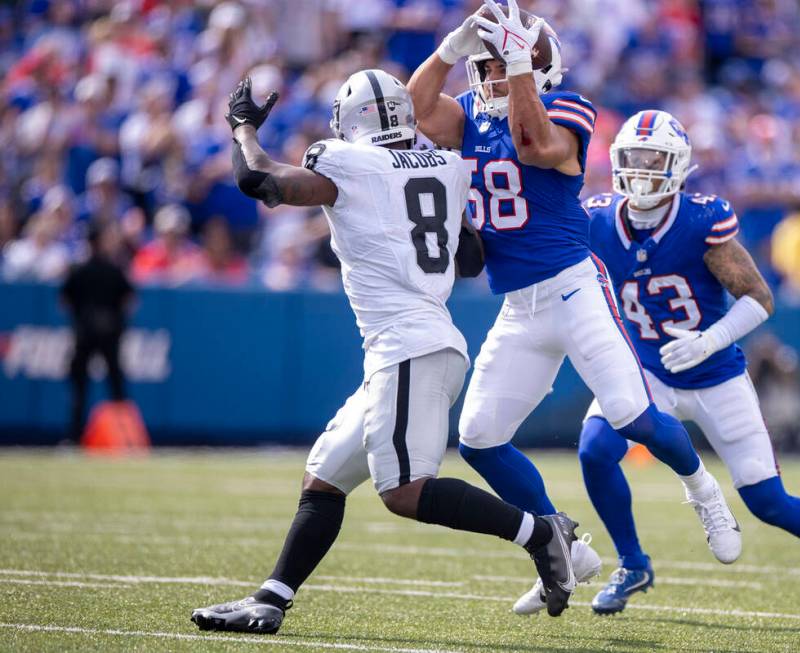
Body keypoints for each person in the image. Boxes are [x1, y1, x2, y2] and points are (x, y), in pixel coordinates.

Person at [191, 71, 584, 635]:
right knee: (324, 479)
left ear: (348, 123)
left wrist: (243, 127)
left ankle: (543, 534)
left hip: (409, 348)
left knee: (403, 491)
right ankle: (271, 598)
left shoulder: (345, 161)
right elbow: (469, 257)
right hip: (414, 346)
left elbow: (260, 179)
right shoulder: (447, 166)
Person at [408, 0, 740, 598]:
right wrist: (449, 51)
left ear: (539, 69)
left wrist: (516, 65)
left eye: (497, 66)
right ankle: (562, 541)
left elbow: (535, 145)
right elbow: (413, 109)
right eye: (480, 68)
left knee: (632, 416)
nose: (486, 78)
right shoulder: (470, 114)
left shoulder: (569, 107)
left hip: (574, 290)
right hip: (519, 307)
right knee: (479, 437)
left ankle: (703, 491)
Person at [528, 109, 800, 625]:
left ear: (679, 167)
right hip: (645, 370)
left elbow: (759, 299)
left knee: (766, 501)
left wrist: (709, 340)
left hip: (716, 375)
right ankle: (632, 563)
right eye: (634, 160)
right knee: (595, 449)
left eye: (654, 160)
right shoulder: (598, 218)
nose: (643, 171)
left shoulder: (699, 220)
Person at [60, 222, 135, 442]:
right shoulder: (112, 269)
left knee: (80, 388)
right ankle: (126, 439)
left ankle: (75, 437)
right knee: (115, 387)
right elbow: (130, 300)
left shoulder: (80, 269)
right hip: (108, 333)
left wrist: (81, 316)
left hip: (85, 333)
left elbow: (64, 300)